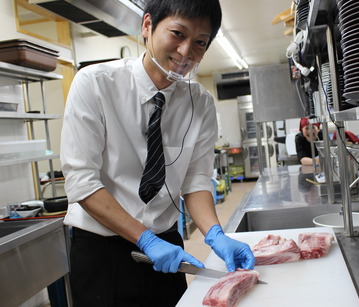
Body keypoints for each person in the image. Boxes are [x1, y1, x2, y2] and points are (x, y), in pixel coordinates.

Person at [60, 1, 255, 306]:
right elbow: (81, 182)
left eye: (200, 42)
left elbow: (196, 180)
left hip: (167, 247)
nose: (186, 51)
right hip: (103, 251)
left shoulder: (200, 104)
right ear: (148, 26)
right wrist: (144, 238)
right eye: (178, 33)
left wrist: (215, 234)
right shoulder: (95, 84)